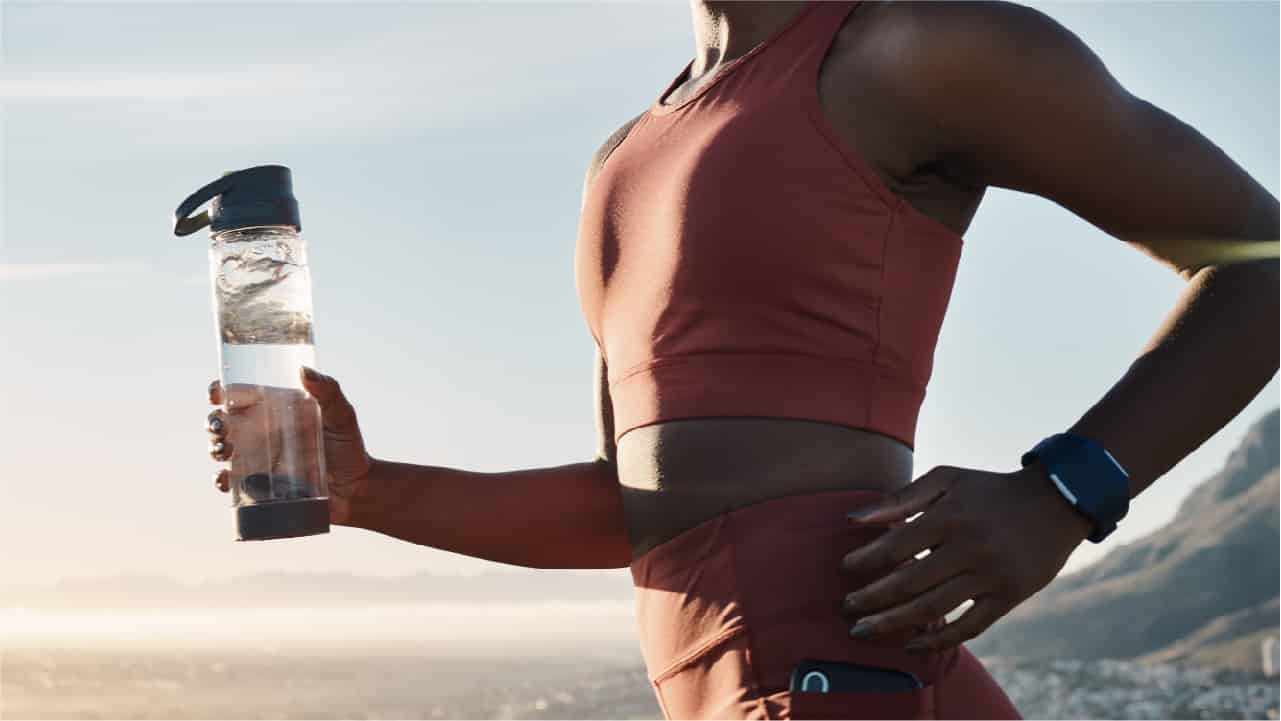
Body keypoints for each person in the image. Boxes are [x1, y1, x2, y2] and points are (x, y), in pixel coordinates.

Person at [203, 1, 1279, 718]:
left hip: (841, 675)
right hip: (731, 682)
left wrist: (1062, 493)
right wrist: (370, 489)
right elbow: (635, 509)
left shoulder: (915, 50)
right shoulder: (626, 153)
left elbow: (1261, 262)